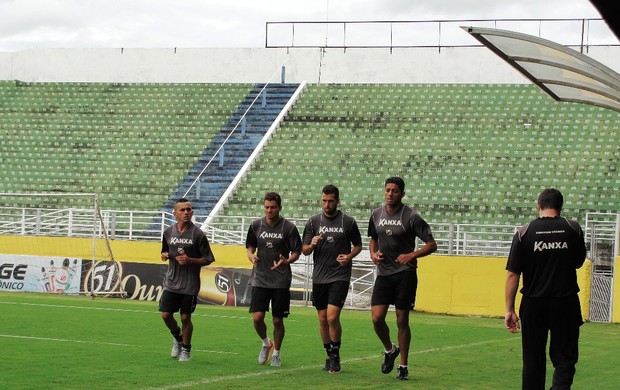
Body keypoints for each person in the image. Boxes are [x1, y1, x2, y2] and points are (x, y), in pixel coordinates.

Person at [505, 188, 587, 389]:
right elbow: (578, 262)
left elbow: (512, 274)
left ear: (538, 206)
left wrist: (509, 309)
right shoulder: (572, 228)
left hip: (534, 304)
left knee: (533, 359)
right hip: (565, 302)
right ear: (560, 207)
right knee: (565, 358)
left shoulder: (524, 232)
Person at [368, 176, 437, 381]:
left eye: (395, 191)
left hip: (405, 273)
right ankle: (390, 349)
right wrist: (373, 254)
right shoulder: (376, 214)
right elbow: (373, 239)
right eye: (388, 190)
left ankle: (403, 365)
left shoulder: (411, 216)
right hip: (384, 273)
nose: (390, 194)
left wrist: (411, 255)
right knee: (376, 318)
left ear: (402, 193)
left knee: (401, 319)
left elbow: (431, 244)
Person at [302, 184, 363, 374]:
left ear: (337, 201)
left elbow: (359, 245)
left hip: (339, 275)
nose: (327, 204)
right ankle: (328, 354)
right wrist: (311, 244)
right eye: (324, 201)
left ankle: (335, 355)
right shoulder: (313, 222)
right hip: (319, 276)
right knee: (322, 319)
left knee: (332, 316)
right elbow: (304, 250)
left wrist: (349, 257)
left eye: (330, 201)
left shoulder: (348, 222)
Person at [246, 192, 302, 367]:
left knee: (278, 320)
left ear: (279, 208)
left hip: (280, 280)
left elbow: (297, 251)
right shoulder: (256, 225)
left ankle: (276, 352)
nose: (269, 210)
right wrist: (251, 256)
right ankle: (266, 343)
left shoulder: (288, 228)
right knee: (257, 317)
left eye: (273, 207)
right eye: (267, 207)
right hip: (260, 278)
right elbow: (250, 247)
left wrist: (287, 260)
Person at [160, 198, 215, 362]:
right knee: (165, 315)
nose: (186, 213)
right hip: (171, 282)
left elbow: (208, 258)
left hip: (189, 285)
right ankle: (177, 337)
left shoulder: (198, 234)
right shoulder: (168, 232)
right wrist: (164, 255)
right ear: (175, 213)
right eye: (183, 210)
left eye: (189, 210)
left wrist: (190, 260)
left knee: (185, 317)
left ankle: (186, 350)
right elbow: (165, 251)